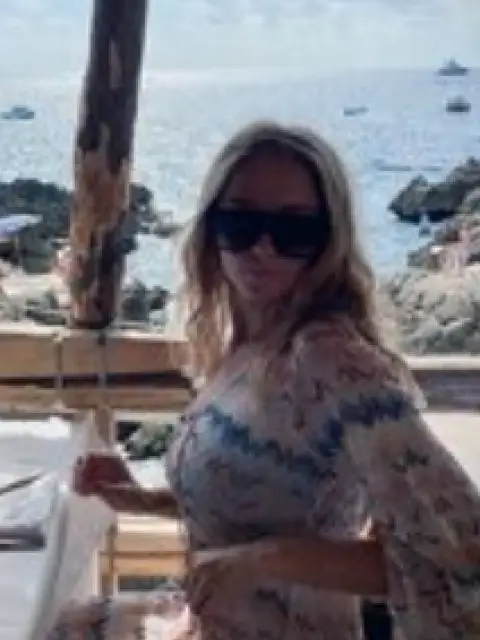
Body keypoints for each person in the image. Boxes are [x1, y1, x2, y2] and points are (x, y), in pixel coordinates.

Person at [50, 121, 480, 640]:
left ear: (328, 240)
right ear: (211, 230)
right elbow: (258, 504)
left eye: (294, 230)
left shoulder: (332, 362)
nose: (263, 248)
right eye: (240, 223)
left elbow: (460, 554)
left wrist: (264, 560)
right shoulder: (247, 346)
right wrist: (141, 499)